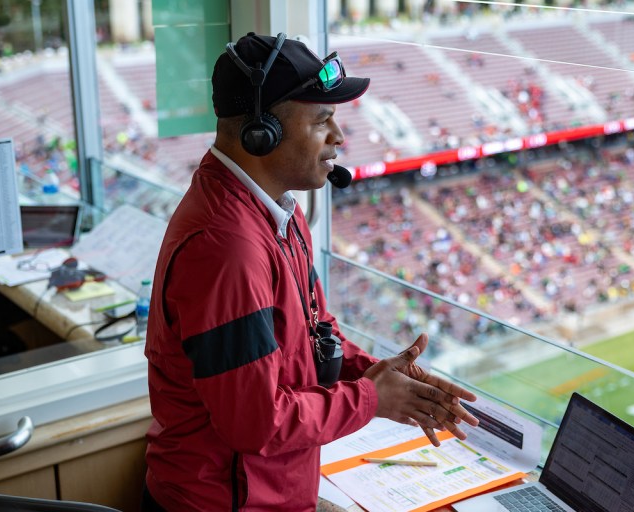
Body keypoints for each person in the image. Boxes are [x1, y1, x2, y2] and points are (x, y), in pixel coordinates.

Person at [142, 32, 479, 511]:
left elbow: (313, 332)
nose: (340, 138)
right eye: (323, 120)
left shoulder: (279, 211)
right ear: (263, 132)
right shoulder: (226, 248)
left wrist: (378, 376)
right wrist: (371, 399)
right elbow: (256, 423)